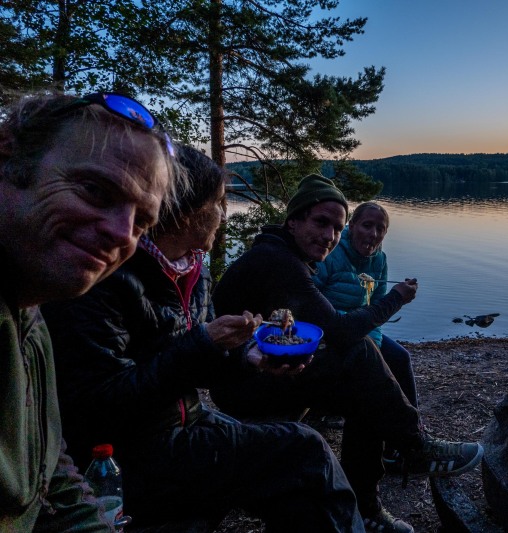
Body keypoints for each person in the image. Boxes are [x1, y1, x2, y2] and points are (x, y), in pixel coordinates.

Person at [41, 147, 363, 531]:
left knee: (298, 485)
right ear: (188, 210)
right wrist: (204, 344)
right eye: (220, 204)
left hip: (187, 421)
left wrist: (250, 357)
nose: (224, 215)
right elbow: (101, 405)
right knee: (306, 450)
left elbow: (205, 365)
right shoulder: (108, 276)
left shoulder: (195, 272)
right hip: (128, 450)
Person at [211, 174, 484, 533]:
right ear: (293, 221)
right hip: (242, 384)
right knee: (359, 350)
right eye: (321, 222)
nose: (329, 236)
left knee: (364, 389)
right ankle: (413, 448)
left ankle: (369, 508)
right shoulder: (277, 261)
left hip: (264, 368)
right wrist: (396, 298)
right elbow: (339, 331)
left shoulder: (288, 256)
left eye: (336, 228)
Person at [0, 92, 175, 532]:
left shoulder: (30, 313)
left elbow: (52, 474)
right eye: (95, 190)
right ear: (8, 157)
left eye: (141, 223)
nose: (121, 235)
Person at [312, 201, 419, 466]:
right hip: (329, 333)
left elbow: (378, 310)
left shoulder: (379, 260)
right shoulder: (331, 253)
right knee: (369, 378)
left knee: (400, 358)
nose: (372, 234)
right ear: (352, 226)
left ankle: (406, 440)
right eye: (367, 225)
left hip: (364, 332)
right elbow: (313, 305)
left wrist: (374, 342)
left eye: (380, 229)